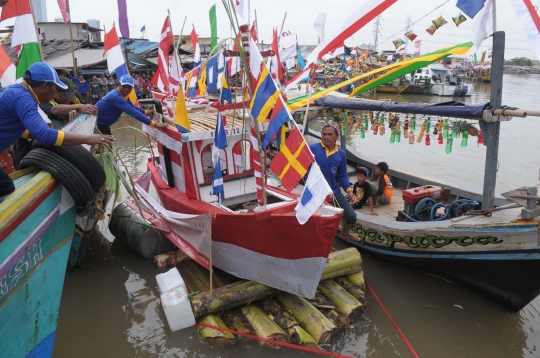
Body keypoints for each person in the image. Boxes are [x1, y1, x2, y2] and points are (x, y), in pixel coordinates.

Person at [0, 62, 115, 197]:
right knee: (6, 189)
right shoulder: (24, 98)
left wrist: (43, 132)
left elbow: (17, 127)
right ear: (45, 86)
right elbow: (44, 135)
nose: (55, 93)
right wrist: (88, 139)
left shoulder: (15, 91)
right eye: (55, 88)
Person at [309, 122, 359, 241]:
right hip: (317, 193)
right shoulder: (312, 149)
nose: (326, 137)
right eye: (324, 134)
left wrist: (349, 191)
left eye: (330, 134)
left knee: (351, 216)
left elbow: (342, 175)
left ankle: (345, 233)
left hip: (334, 192)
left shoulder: (340, 153)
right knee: (321, 224)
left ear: (336, 136)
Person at [95, 74, 168, 135]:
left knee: (108, 147)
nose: (126, 90)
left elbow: (131, 107)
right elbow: (133, 112)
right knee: (103, 148)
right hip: (95, 125)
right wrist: (155, 124)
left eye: (129, 87)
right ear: (118, 84)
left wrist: (146, 112)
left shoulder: (123, 95)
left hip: (103, 125)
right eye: (124, 86)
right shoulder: (115, 97)